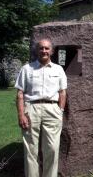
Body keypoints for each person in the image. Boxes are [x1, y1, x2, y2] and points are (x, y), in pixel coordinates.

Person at [15, 39, 67, 177]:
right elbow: (20, 93)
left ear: (52, 51)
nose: (44, 51)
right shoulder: (26, 69)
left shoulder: (59, 69)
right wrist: (21, 114)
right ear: (37, 50)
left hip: (52, 110)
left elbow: (62, 92)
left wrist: (60, 111)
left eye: (47, 48)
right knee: (30, 150)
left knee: (52, 149)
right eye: (41, 48)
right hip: (31, 109)